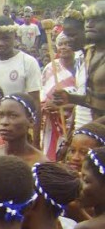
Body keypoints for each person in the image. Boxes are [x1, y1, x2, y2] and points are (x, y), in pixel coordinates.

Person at [0, 16, 42, 147]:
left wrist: (35, 139)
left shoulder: (28, 62)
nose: (0, 43)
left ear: (15, 37)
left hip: (16, 131)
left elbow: (35, 102)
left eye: (6, 38)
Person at [55, 2, 105, 124]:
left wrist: (91, 131)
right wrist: (70, 98)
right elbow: (96, 101)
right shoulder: (90, 54)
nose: (89, 25)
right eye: (87, 20)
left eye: (96, 20)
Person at [41, 32, 77, 161]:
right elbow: (42, 96)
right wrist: (48, 105)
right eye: (61, 44)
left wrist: (65, 105)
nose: (64, 47)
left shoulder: (83, 67)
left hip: (77, 122)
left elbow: (86, 100)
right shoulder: (51, 68)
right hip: (53, 124)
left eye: (68, 44)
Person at [0, 93, 48, 166]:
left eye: (13, 116)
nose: (4, 122)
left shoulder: (41, 164)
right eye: (0, 115)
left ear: (31, 121)